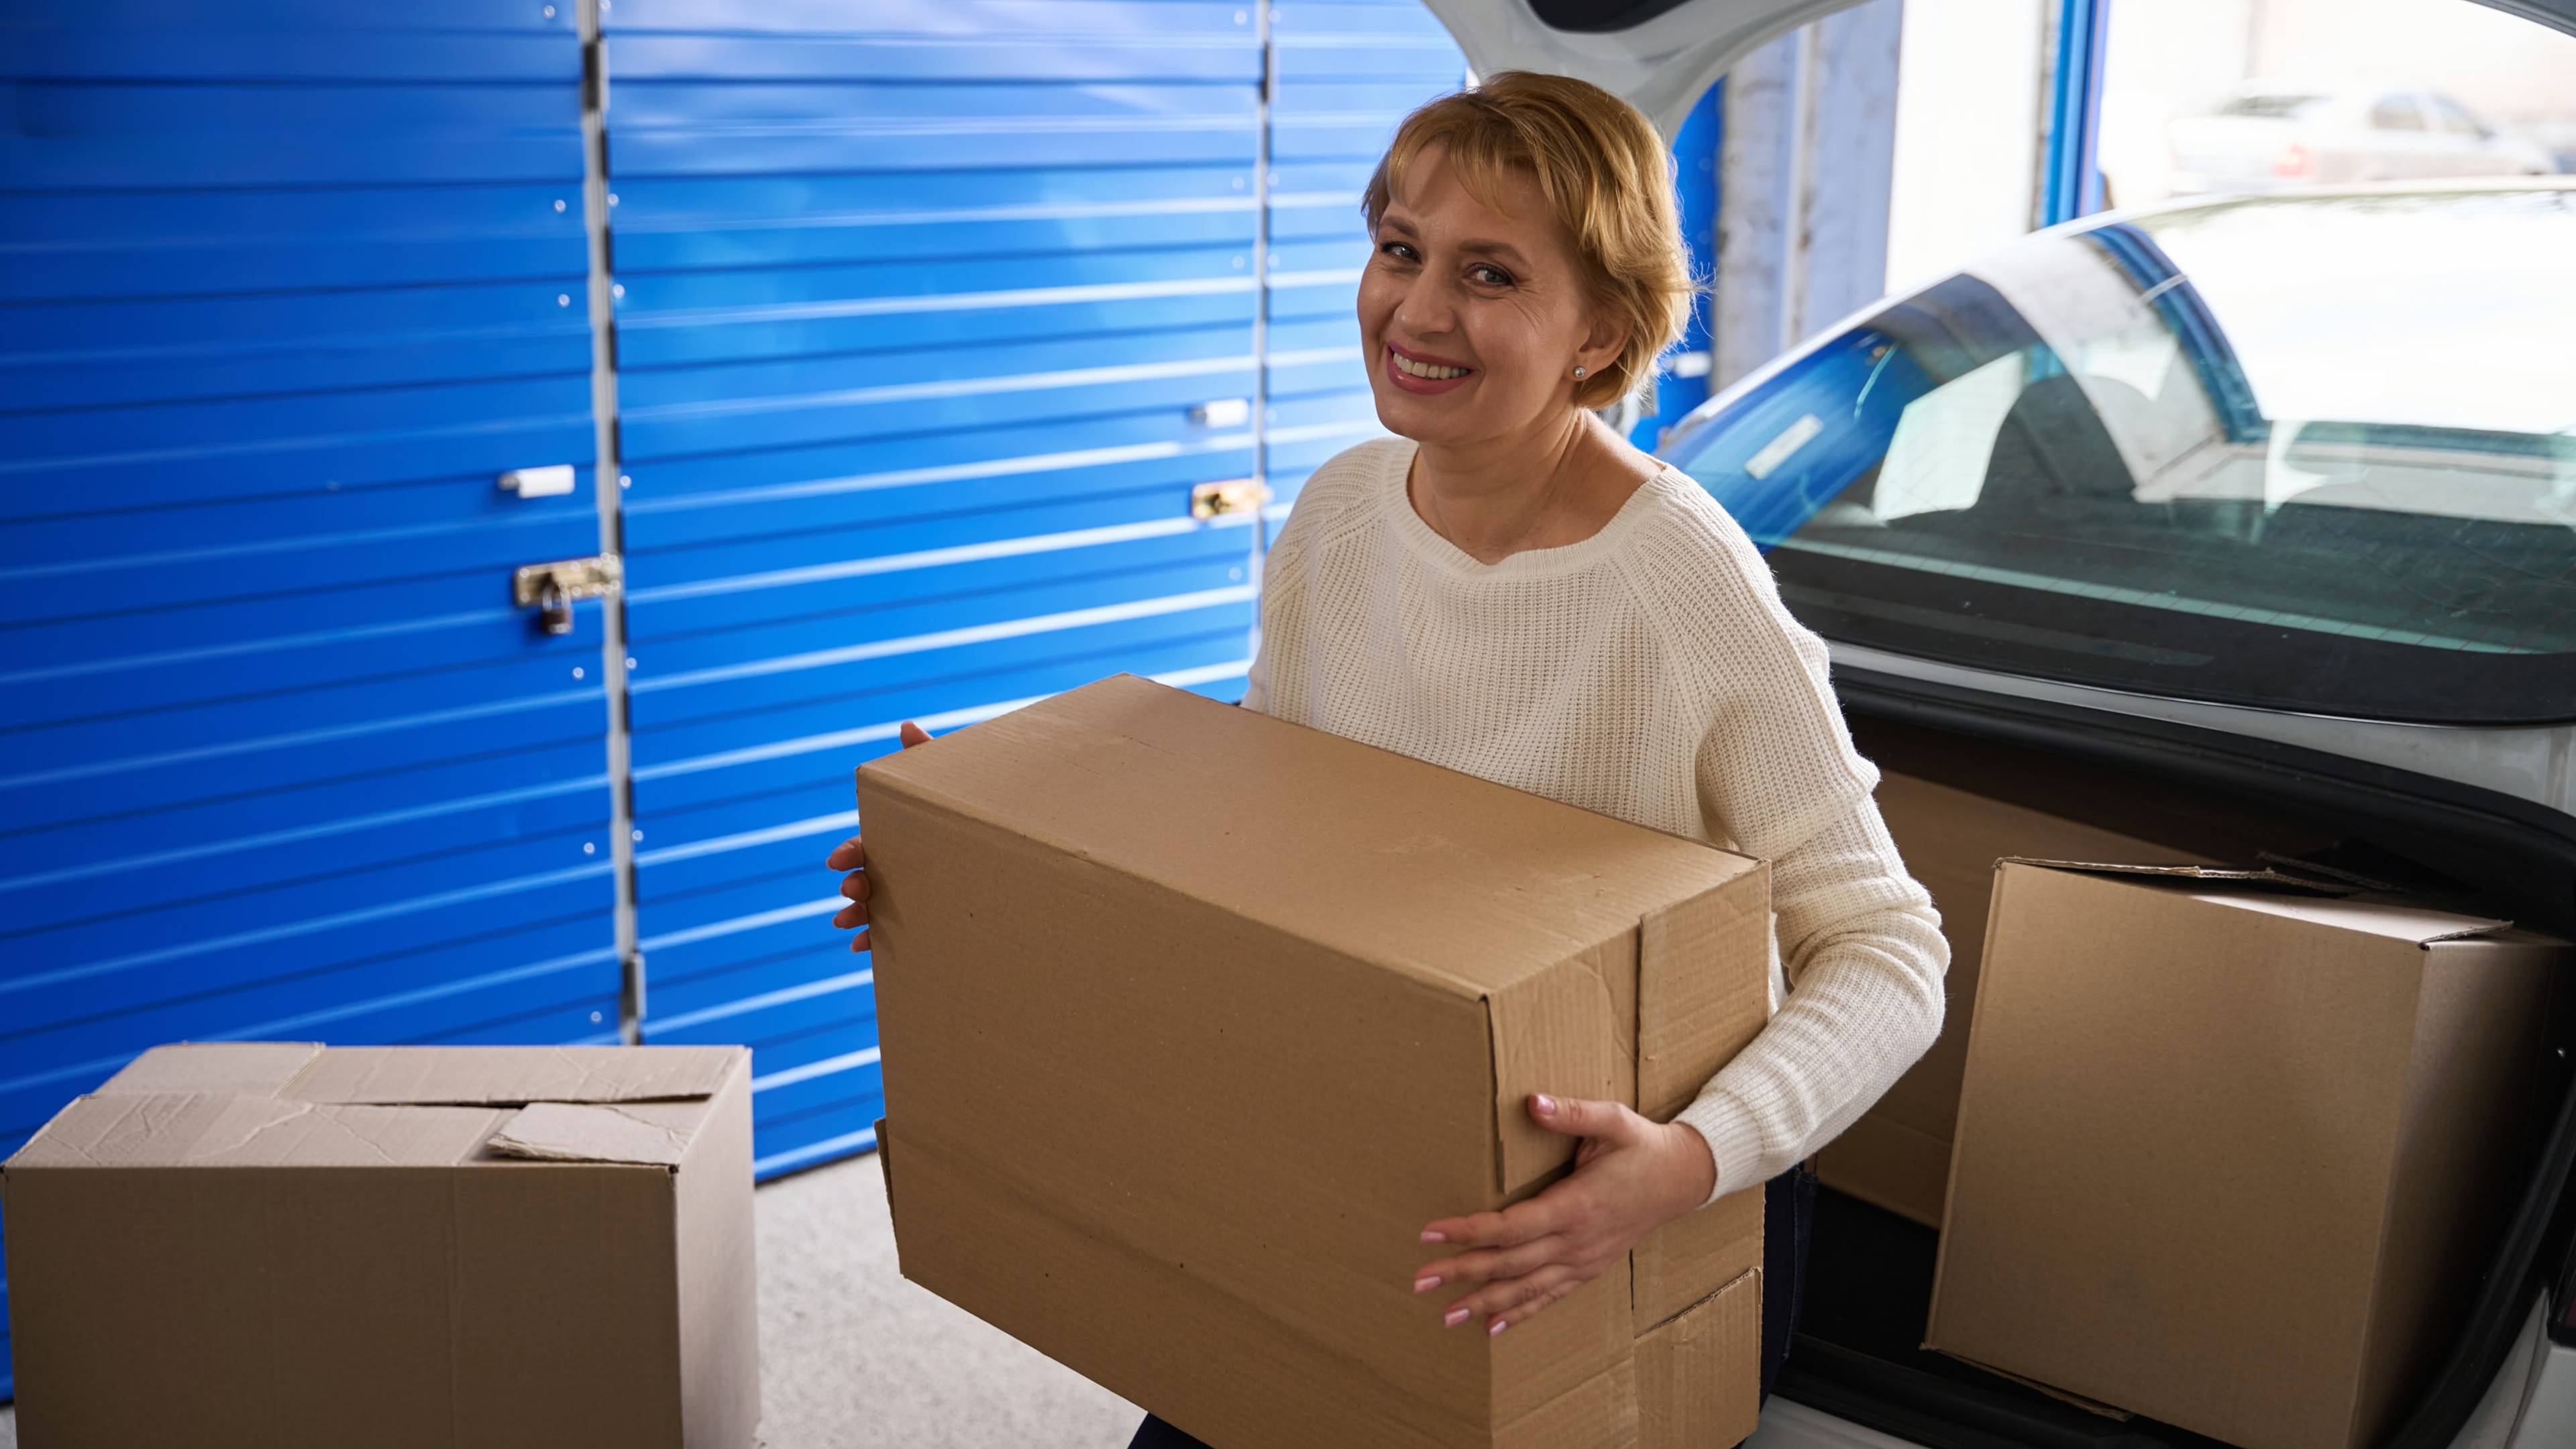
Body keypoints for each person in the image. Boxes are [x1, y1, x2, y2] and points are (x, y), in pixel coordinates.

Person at [826, 70, 1949, 1447]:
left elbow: (1891, 954)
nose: (1416, 312)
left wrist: (1687, 1165)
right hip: (1380, 1142)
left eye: (1488, 274)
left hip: (1627, 1203)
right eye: (1400, 251)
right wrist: (999, 847)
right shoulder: (1344, 513)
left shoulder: (1683, 584)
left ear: (1603, 327)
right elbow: (1277, 826)